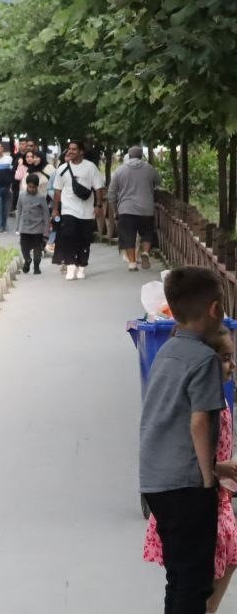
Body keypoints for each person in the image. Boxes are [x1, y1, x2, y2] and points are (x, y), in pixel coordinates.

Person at [140, 267, 237, 614]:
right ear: (214, 309)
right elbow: (199, 423)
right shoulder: (205, 359)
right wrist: (208, 480)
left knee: (179, 576)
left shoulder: (169, 351)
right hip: (187, 486)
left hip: (156, 481)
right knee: (195, 581)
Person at [53, 140, 106, 280]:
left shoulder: (90, 167)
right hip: (68, 209)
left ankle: (81, 266)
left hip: (86, 211)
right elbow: (57, 191)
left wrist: (99, 205)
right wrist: (55, 209)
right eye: (69, 149)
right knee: (69, 236)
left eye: (74, 149)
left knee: (84, 239)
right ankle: (70, 266)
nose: (70, 151)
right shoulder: (62, 169)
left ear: (81, 152)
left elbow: (98, 187)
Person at [109, 144, 164, 272]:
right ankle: (145, 252)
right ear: (141, 155)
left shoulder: (120, 170)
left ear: (129, 155)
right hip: (146, 208)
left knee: (128, 236)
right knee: (147, 232)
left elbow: (112, 192)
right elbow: (159, 182)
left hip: (126, 209)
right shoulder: (150, 169)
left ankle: (132, 264)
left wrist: (114, 207)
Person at [16, 172, 50, 273]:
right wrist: (17, 226)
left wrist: (46, 231)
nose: (32, 189)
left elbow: (46, 214)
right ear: (26, 185)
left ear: (37, 186)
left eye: (34, 187)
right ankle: (27, 260)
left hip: (37, 228)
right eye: (30, 186)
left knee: (37, 248)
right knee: (24, 246)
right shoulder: (21, 196)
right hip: (25, 227)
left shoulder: (41, 197)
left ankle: (36, 266)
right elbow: (19, 211)